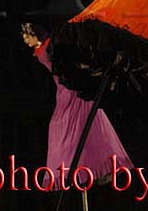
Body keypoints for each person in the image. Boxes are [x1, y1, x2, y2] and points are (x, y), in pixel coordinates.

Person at [20, 23, 133, 189]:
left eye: (26, 36)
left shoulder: (51, 45)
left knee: (80, 123)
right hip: (63, 89)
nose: (25, 40)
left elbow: (67, 60)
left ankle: (97, 163)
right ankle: (73, 165)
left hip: (71, 87)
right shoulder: (40, 49)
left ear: (34, 34)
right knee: (62, 126)